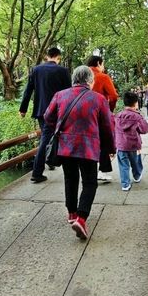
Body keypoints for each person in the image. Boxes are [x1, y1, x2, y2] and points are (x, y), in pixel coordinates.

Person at [44, 65, 115, 240]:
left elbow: (47, 116)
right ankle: (81, 219)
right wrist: (110, 149)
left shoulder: (60, 95)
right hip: (89, 147)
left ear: (74, 80)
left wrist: (61, 127)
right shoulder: (98, 99)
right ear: (90, 81)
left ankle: (71, 213)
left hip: (66, 146)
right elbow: (107, 127)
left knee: (70, 178)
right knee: (90, 182)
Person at [19, 46, 71, 183]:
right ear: (58, 57)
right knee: (49, 138)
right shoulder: (63, 71)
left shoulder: (36, 70)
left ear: (47, 56)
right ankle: (36, 173)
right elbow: (69, 93)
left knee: (46, 137)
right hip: (59, 111)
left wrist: (23, 109)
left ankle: (51, 161)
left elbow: (28, 90)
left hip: (41, 111)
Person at [86, 55, 118, 182]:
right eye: (103, 64)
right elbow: (114, 96)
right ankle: (102, 170)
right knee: (103, 140)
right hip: (100, 113)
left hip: (82, 113)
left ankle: (89, 170)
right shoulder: (102, 77)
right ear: (98, 63)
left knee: (88, 140)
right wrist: (110, 109)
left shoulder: (82, 75)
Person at [115, 90, 148, 191]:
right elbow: (145, 129)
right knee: (136, 162)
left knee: (123, 165)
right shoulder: (137, 116)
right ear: (136, 103)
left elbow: (114, 129)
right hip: (133, 144)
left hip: (121, 145)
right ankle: (137, 176)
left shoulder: (118, 115)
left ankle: (125, 184)